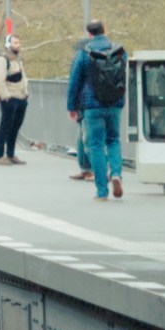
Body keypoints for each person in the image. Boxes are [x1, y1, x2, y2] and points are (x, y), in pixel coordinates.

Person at [65, 18, 127, 200]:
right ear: (105, 30)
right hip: (114, 103)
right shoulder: (119, 50)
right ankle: (116, 174)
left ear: (89, 34)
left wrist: (72, 106)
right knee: (113, 140)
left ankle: (102, 191)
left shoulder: (84, 53)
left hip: (91, 105)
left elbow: (74, 81)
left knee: (96, 145)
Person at [0, 32, 27, 163]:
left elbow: (23, 78)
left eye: (19, 43)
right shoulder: (2, 60)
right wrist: (6, 96)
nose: (18, 45)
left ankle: (11, 154)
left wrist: (25, 93)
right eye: (15, 43)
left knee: (15, 127)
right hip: (10, 98)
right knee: (6, 126)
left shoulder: (17, 60)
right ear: (8, 44)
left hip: (20, 97)